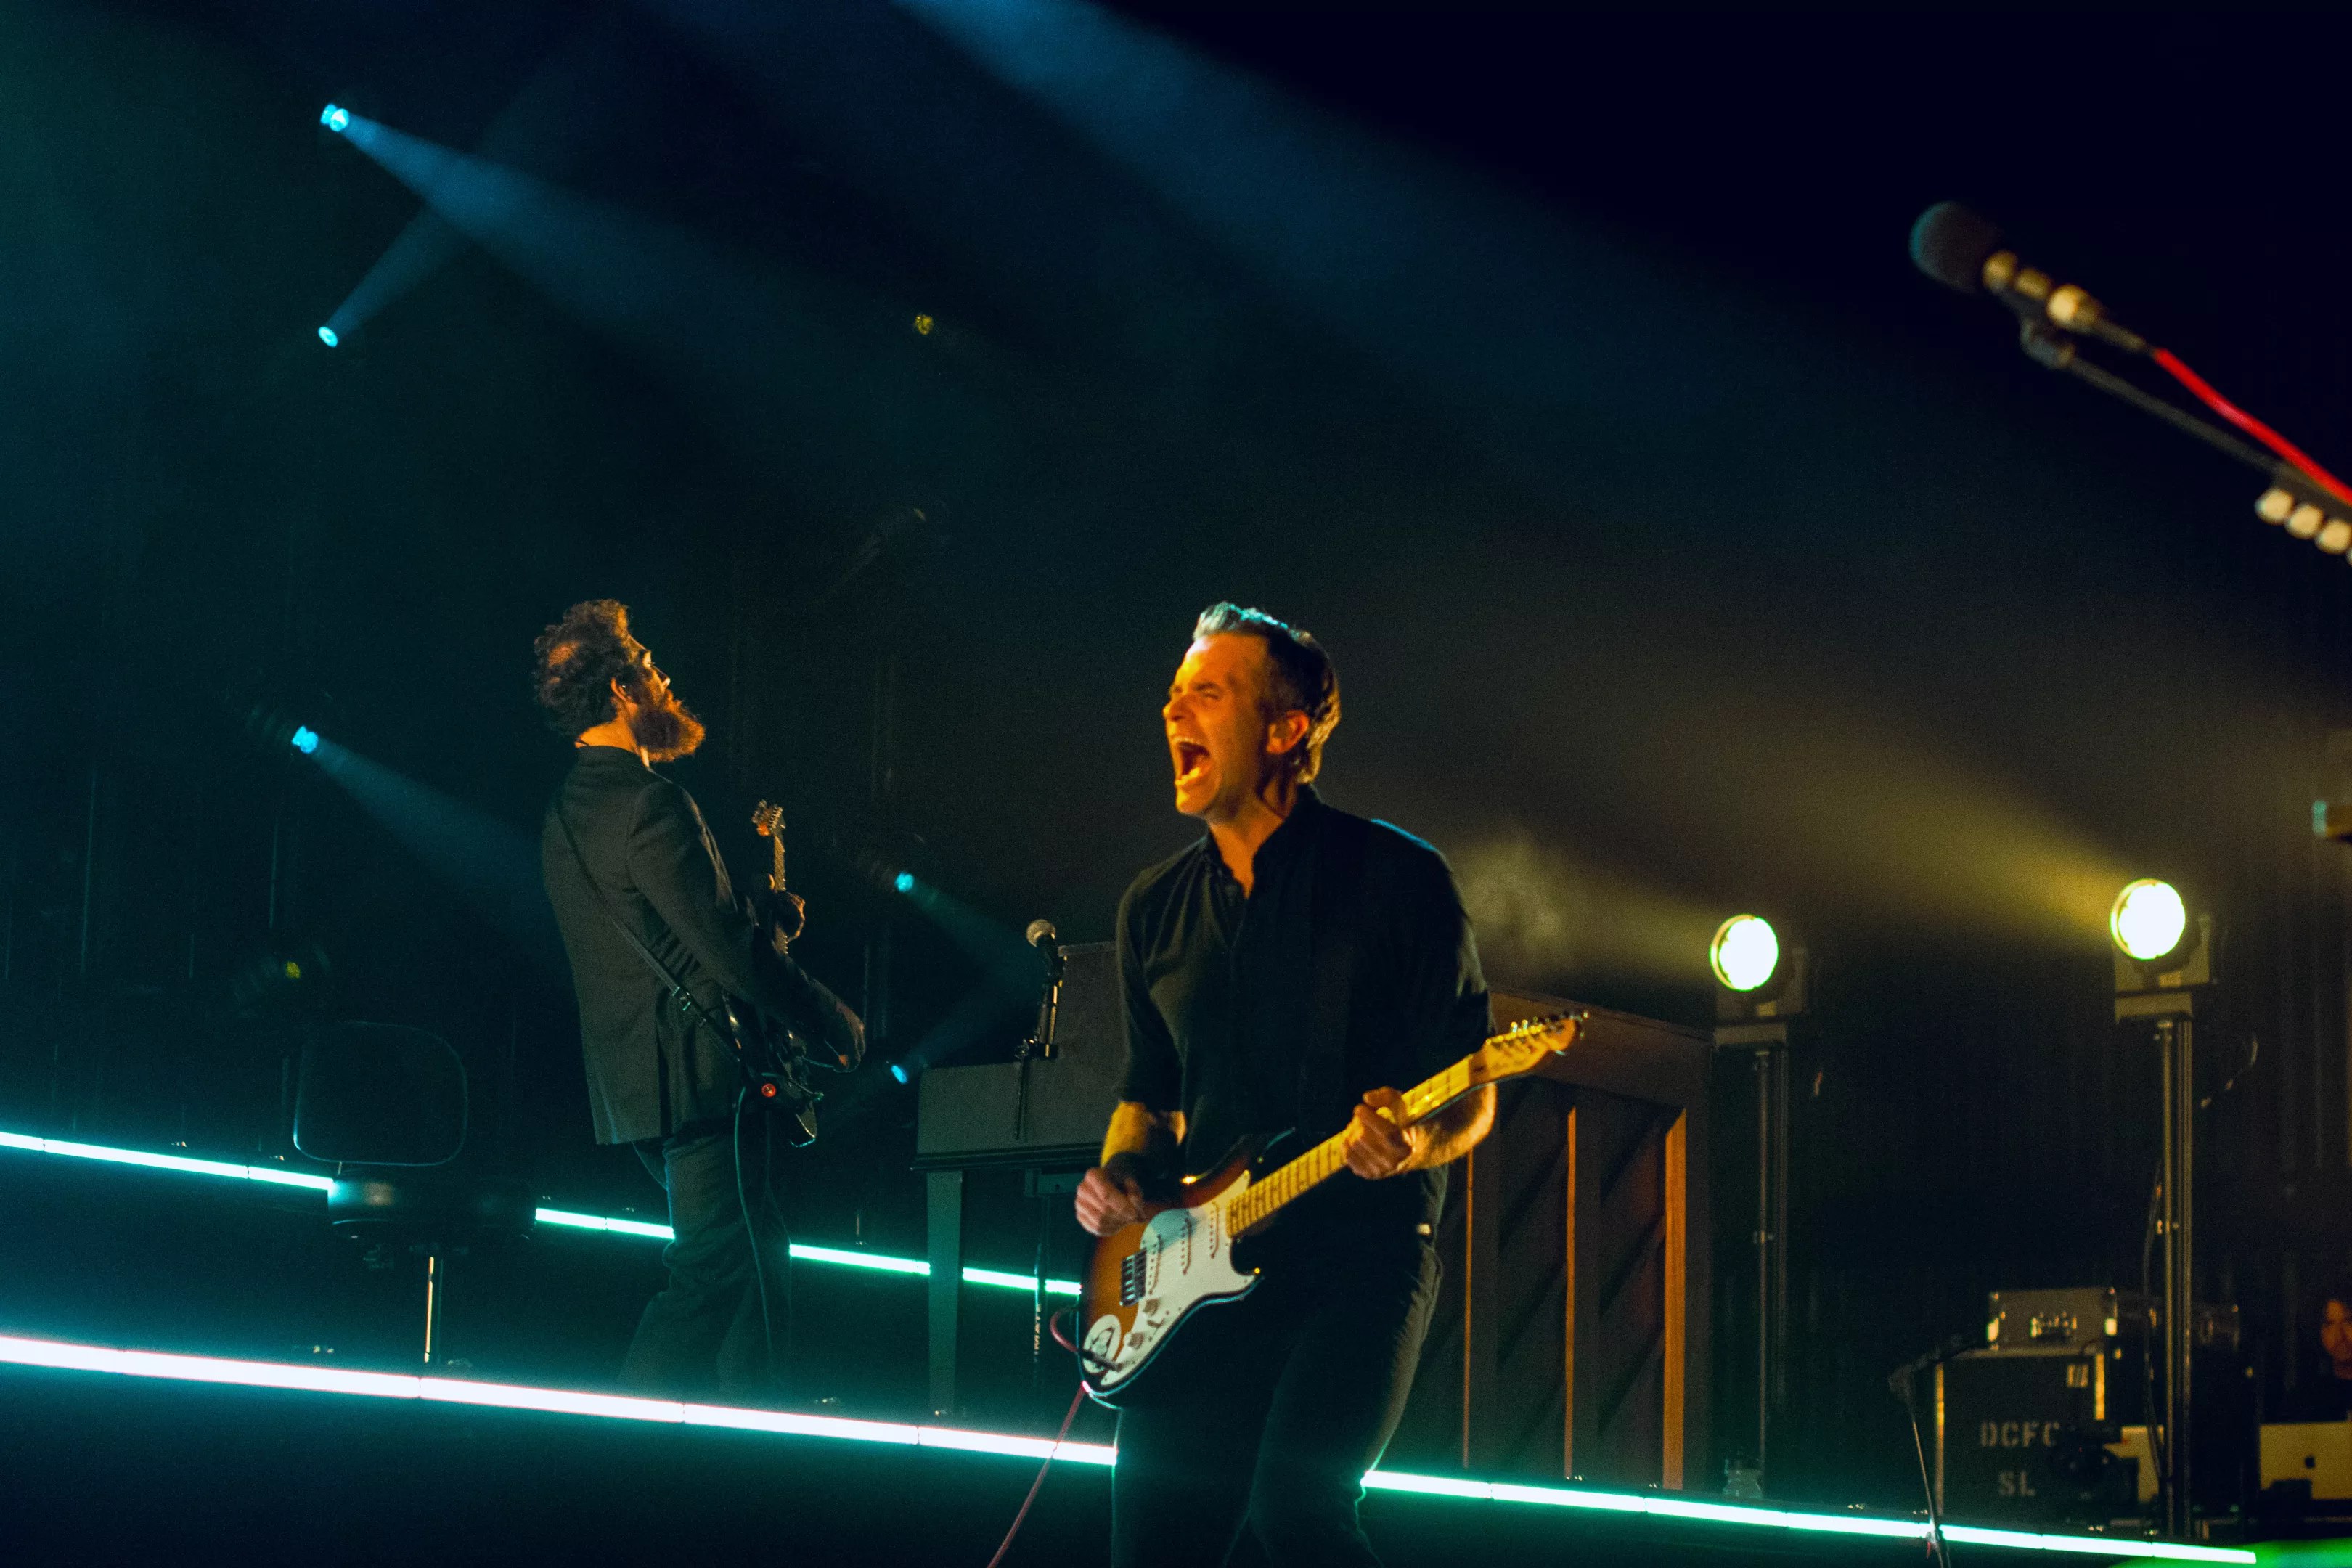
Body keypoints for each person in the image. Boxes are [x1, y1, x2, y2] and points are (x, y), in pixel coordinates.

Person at [1074, 603, 1496, 1567]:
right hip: (1201, 1270)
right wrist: (1120, 1181)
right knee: (1152, 1545)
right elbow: (1149, 1098)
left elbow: (1473, 1091)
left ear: (1284, 730)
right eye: (1173, 695)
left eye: (1206, 693)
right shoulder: (1152, 908)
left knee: (1298, 1514)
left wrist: (1413, 1143)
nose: (1173, 712)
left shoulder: (1398, 880)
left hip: (1360, 1258)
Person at [533, 599, 863, 1400]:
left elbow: (660, 930)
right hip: (703, 1080)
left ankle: (748, 1438)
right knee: (712, 1271)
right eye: (648, 665)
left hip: (641, 1092)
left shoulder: (568, 814)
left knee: (754, 1261)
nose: (664, 678)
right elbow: (725, 952)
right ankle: (617, 1444)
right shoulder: (651, 801)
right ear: (620, 692)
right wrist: (831, 1020)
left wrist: (754, 910)